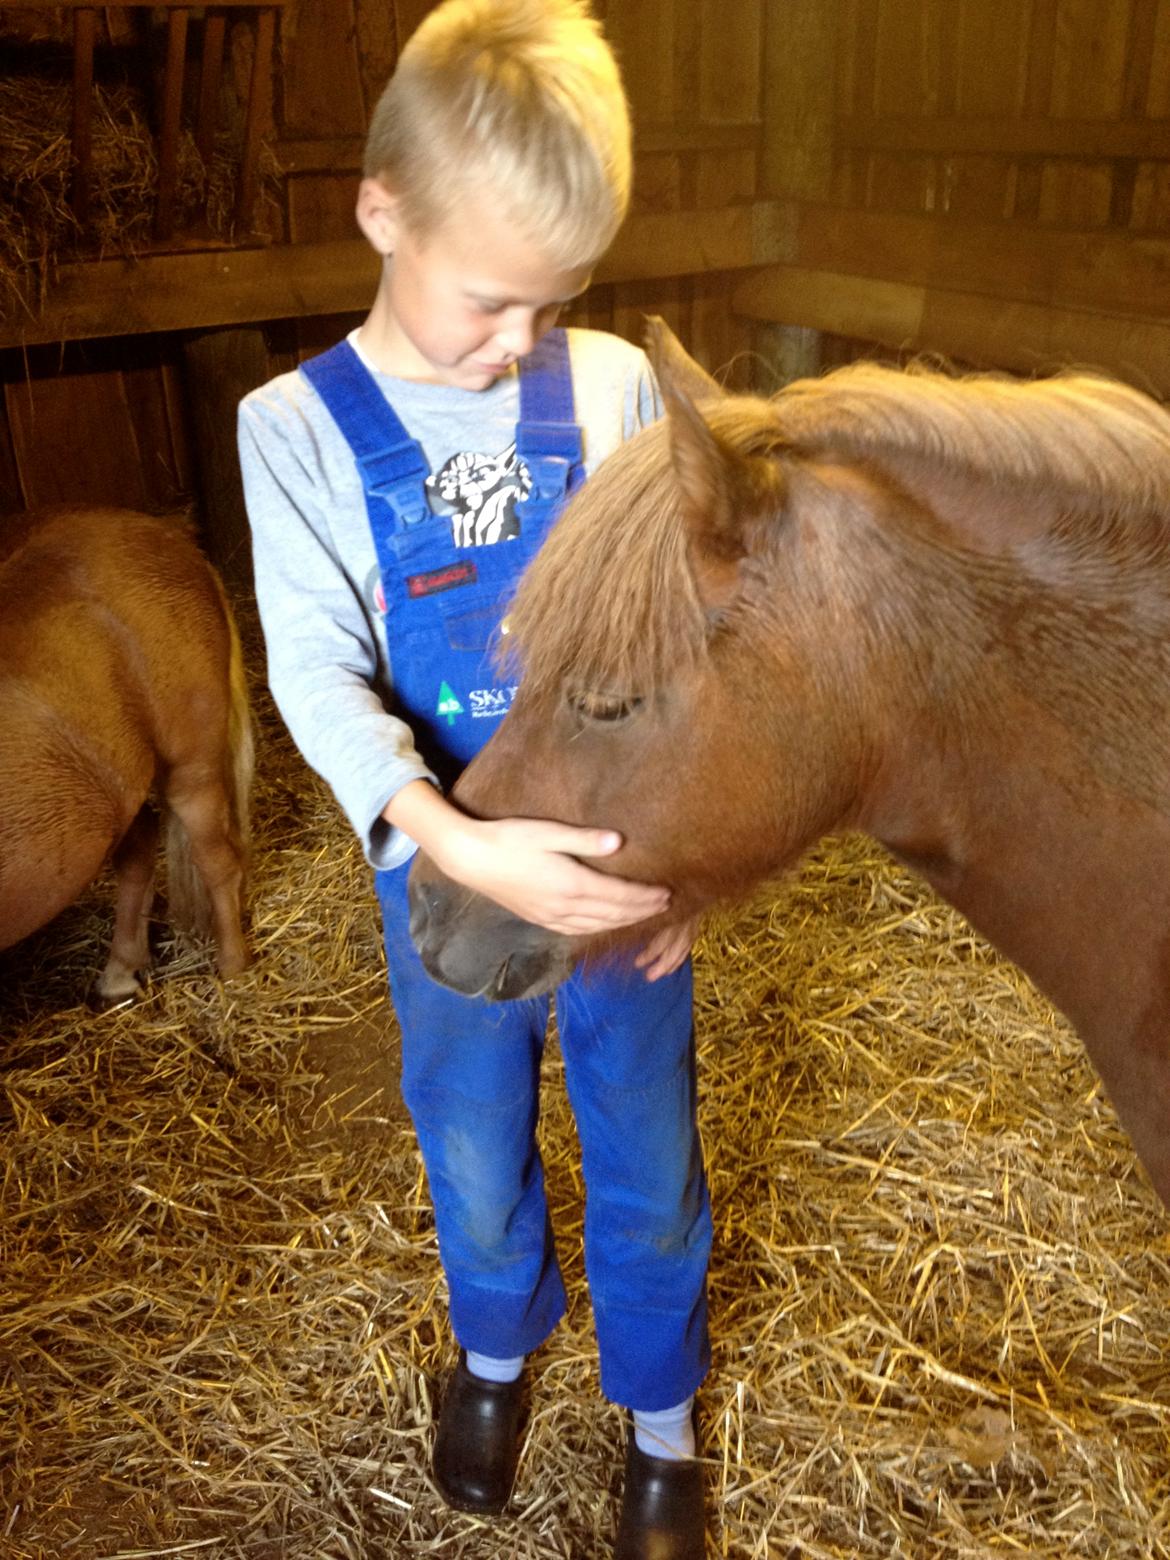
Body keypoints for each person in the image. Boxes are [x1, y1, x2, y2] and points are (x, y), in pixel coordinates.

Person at [237, 4, 711, 1554]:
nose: (522, 343)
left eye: (557, 300)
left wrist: (689, 858)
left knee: (644, 1146)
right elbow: (315, 671)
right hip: (443, 873)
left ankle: (662, 1421)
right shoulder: (294, 429)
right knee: (470, 1142)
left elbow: (678, 645)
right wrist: (448, 837)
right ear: (384, 212)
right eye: (493, 299)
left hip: (613, 868)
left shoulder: (612, 395)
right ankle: (496, 1354)